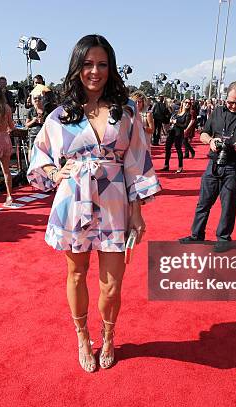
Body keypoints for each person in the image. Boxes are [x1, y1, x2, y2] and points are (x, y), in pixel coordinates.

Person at [27, 34, 161, 372]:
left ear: (110, 68)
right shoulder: (60, 115)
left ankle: (109, 334)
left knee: (112, 284)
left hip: (116, 201)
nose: (95, 71)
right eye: (88, 64)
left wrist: (138, 211)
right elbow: (39, 156)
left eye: (102, 64)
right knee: (76, 273)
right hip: (75, 199)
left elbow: (137, 160)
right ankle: (83, 336)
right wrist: (56, 175)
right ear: (77, 68)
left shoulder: (126, 110)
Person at [179, 81, 236, 252]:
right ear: (225, 98)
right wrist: (211, 141)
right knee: (203, 202)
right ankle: (196, 235)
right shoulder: (218, 111)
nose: (233, 106)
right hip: (214, 163)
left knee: (228, 205)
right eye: (230, 102)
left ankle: (224, 239)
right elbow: (204, 133)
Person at [161, 98, 191, 173]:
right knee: (167, 148)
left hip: (179, 133)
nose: (187, 104)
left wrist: (175, 122)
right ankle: (166, 165)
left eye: (189, 103)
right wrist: (171, 121)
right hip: (172, 131)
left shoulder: (188, 114)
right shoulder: (177, 112)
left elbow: (184, 126)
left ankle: (180, 167)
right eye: (186, 102)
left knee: (178, 149)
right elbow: (169, 118)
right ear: (182, 103)